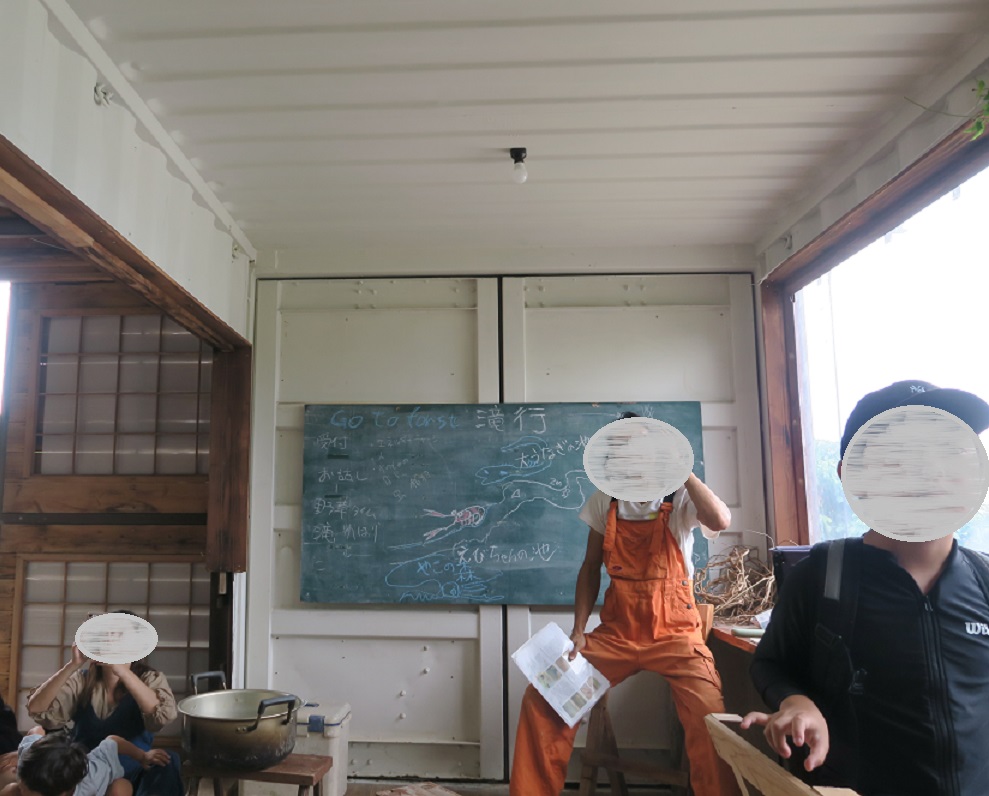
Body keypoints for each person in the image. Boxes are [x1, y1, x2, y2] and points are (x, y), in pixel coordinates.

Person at [743, 380, 989, 796]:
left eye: (950, 452)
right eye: (903, 457)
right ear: (853, 476)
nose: (932, 471)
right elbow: (770, 663)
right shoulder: (822, 577)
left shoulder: (983, 579)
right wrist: (796, 702)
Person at [510, 412, 741, 796]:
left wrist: (683, 471)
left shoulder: (679, 496)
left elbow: (720, 519)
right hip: (617, 634)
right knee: (543, 698)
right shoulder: (605, 500)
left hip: (676, 636)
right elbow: (589, 568)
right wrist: (578, 631)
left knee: (711, 719)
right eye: (620, 447)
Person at [26, 620, 182, 796]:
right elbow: (36, 708)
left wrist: (122, 671)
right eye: (106, 633)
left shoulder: (149, 678)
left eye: (118, 633)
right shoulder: (82, 680)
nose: (109, 638)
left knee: (168, 761)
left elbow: (162, 716)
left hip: (135, 762)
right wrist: (73, 665)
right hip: (86, 768)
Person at [2, 725, 169, 796]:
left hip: (105, 788)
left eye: (27, 791)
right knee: (11, 790)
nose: (21, 786)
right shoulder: (28, 756)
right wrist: (17, 753)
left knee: (121, 788)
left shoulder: (94, 775)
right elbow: (37, 730)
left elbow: (113, 741)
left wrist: (142, 756)